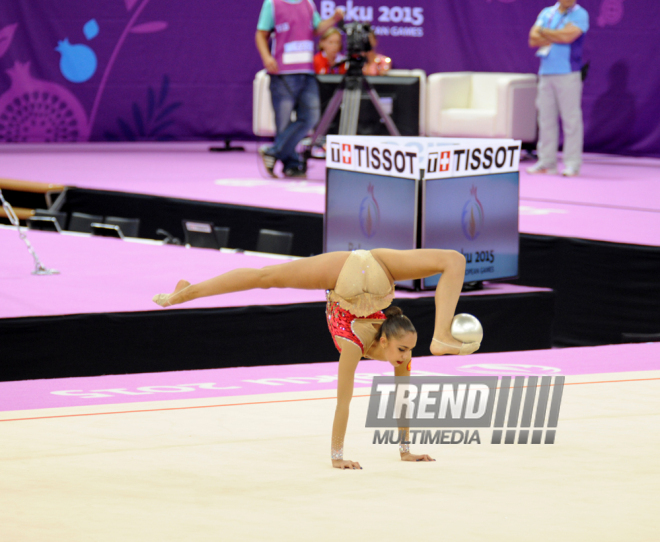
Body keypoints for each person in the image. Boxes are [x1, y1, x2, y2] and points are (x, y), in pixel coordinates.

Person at [152, 248, 480, 469]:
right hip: (356, 279)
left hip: (364, 270)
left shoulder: (379, 345)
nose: (407, 358)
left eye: (409, 351)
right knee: (263, 277)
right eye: (404, 351)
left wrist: (406, 451)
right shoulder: (354, 344)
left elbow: (398, 400)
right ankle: (185, 293)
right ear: (384, 338)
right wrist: (337, 457)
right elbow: (344, 402)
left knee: (265, 277)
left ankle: (441, 336)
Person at [255, 1, 344, 178]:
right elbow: (261, 33)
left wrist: (334, 19)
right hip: (283, 72)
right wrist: (266, 58)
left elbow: (317, 29)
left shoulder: (308, 3)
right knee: (283, 122)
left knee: (311, 117)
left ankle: (273, 151)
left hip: (307, 71)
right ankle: (292, 165)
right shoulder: (272, 4)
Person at [527, 0, 589, 177]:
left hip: (568, 73)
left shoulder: (580, 14)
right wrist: (556, 34)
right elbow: (532, 39)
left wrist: (544, 32)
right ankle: (546, 162)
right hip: (545, 72)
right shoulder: (547, 12)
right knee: (545, 120)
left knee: (571, 120)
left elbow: (567, 37)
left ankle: (572, 164)